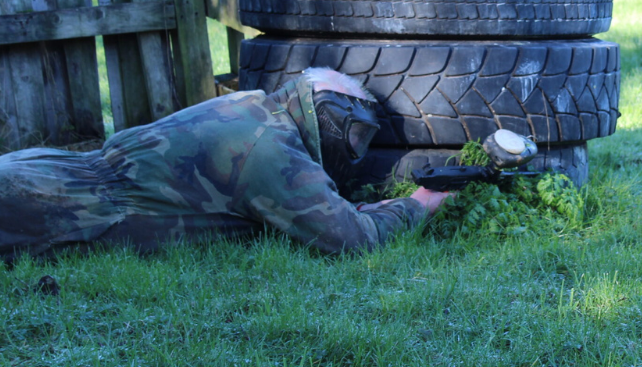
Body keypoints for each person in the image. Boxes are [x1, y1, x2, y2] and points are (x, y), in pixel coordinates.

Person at [0, 67, 451, 263]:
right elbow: (350, 240)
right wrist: (418, 205)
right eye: (354, 135)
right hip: (51, 207)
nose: (356, 150)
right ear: (326, 115)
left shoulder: (252, 107)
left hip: (40, 170)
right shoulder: (270, 150)